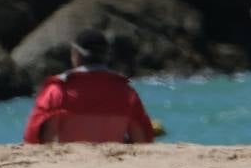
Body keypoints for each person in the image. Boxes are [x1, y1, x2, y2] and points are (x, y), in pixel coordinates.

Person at [22, 29, 154, 144]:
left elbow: (32, 138)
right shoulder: (126, 92)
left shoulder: (57, 91)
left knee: (52, 117)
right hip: (113, 166)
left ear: (76, 55)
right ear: (105, 57)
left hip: (69, 165)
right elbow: (143, 140)